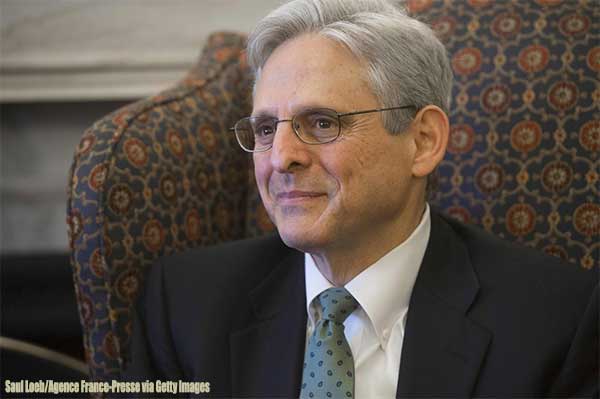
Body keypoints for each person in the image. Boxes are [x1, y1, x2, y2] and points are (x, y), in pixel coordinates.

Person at [123, 0, 598, 397]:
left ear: (423, 141)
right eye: (266, 129)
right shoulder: (184, 306)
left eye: (323, 123)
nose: (280, 158)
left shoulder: (555, 324)